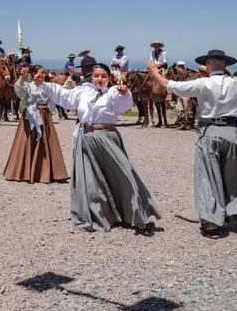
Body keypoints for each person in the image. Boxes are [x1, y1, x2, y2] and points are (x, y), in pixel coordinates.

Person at [147, 51, 237, 237]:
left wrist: (154, 72)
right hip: (232, 133)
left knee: (208, 176)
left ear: (207, 65)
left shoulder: (203, 84)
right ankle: (232, 212)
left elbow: (171, 86)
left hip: (210, 131)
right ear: (225, 66)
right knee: (232, 174)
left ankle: (211, 222)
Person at [38, 62, 159, 233]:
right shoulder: (83, 91)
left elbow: (124, 105)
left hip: (106, 138)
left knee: (122, 176)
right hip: (86, 138)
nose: (99, 79)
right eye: (96, 76)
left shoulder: (114, 92)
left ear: (109, 78)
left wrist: (124, 93)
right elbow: (64, 97)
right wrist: (42, 83)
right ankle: (98, 214)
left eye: (103, 76)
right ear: (92, 77)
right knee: (90, 181)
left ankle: (133, 212)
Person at [3, 65, 69, 184]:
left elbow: (62, 92)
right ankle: (24, 171)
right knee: (27, 141)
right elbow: (20, 93)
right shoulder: (28, 86)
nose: (42, 75)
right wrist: (22, 78)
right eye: (40, 73)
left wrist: (69, 77)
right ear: (33, 74)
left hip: (44, 115)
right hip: (31, 116)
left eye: (44, 73)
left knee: (46, 141)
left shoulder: (48, 86)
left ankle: (47, 171)